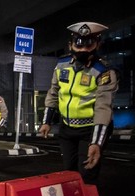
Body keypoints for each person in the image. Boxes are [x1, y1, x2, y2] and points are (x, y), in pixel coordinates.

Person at [39, 22, 119, 185]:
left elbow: (103, 107)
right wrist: (46, 121)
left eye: (89, 45)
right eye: (79, 44)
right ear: (70, 45)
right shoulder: (61, 65)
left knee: (87, 173)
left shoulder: (104, 72)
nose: (83, 49)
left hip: (90, 130)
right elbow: (54, 92)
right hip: (67, 128)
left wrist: (96, 143)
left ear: (97, 45)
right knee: (69, 172)